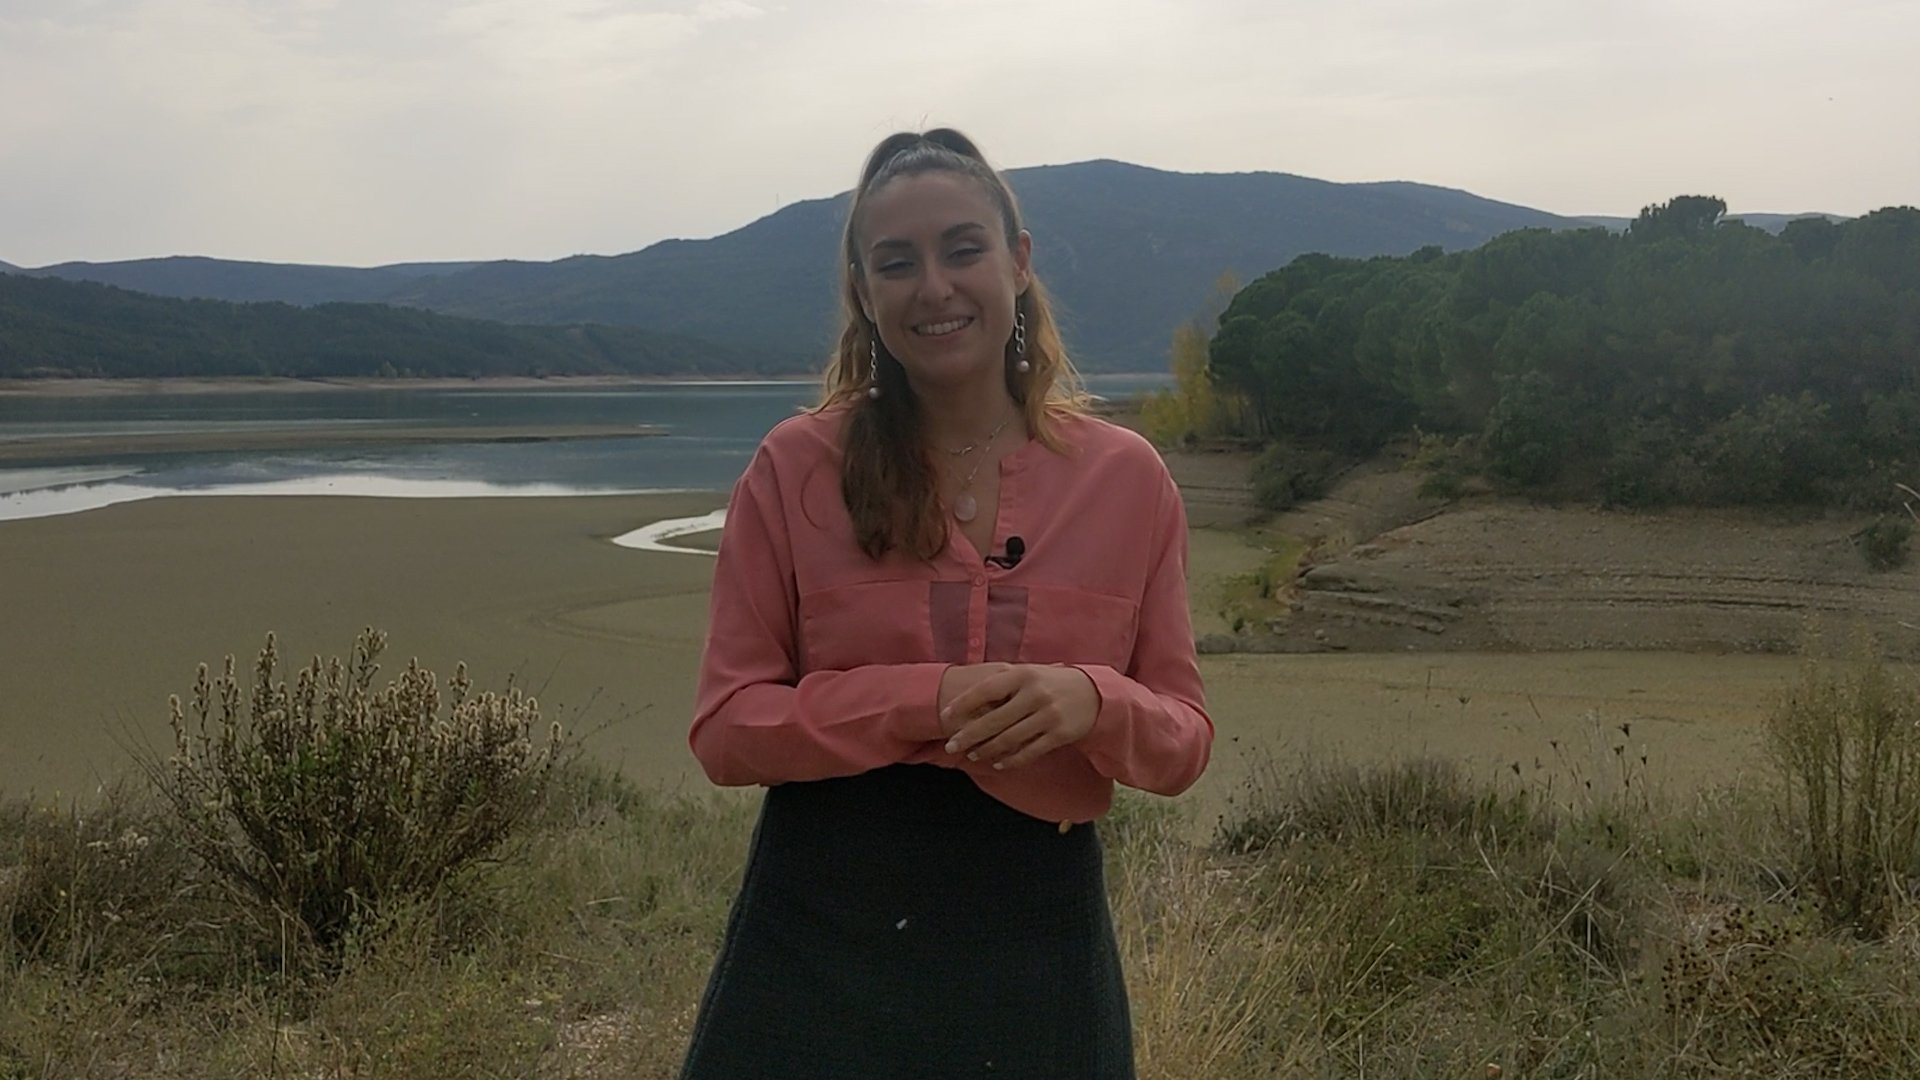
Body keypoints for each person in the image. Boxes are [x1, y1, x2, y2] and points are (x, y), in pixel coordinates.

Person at [680, 128, 1213, 1079]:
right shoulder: (793, 467)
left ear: (1016, 262)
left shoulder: (1128, 480)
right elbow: (726, 729)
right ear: (864, 291)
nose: (934, 286)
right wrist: (929, 700)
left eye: (962, 249)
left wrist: (1094, 700)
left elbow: (1181, 740)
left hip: (1036, 945)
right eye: (898, 262)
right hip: (817, 937)